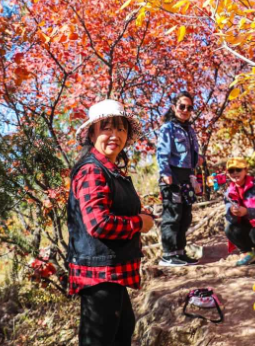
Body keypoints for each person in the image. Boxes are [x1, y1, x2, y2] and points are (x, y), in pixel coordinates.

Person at [67, 99, 155, 346]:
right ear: (92, 133)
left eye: (121, 128)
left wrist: (139, 214)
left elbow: (110, 208)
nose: (115, 135)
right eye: (107, 128)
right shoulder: (92, 170)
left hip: (110, 272)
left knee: (123, 329)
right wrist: (139, 223)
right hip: (100, 274)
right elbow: (99, 224)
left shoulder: (109, 170)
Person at [156, 91, 203, 266]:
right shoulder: (168, 128)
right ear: (174, 107)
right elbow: (162, 152)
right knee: (173, 214)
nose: (185, 110)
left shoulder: (189, 129)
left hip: (186, 175)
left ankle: (180, 252)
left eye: (189, 107)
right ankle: (168, 255)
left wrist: (198, 160)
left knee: (185, 215)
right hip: (172, 175)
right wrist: (165, 173)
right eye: (182, 106)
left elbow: (192, 153)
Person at [223, 157, 255, 266]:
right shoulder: (229, 191)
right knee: (230, 229)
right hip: (247, 229)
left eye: (238, 169)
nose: (235, 173)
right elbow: (229, 216)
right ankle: (249, 254)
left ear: (245, 170)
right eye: (231, 171)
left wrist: (247, 211)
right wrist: (232, 212)